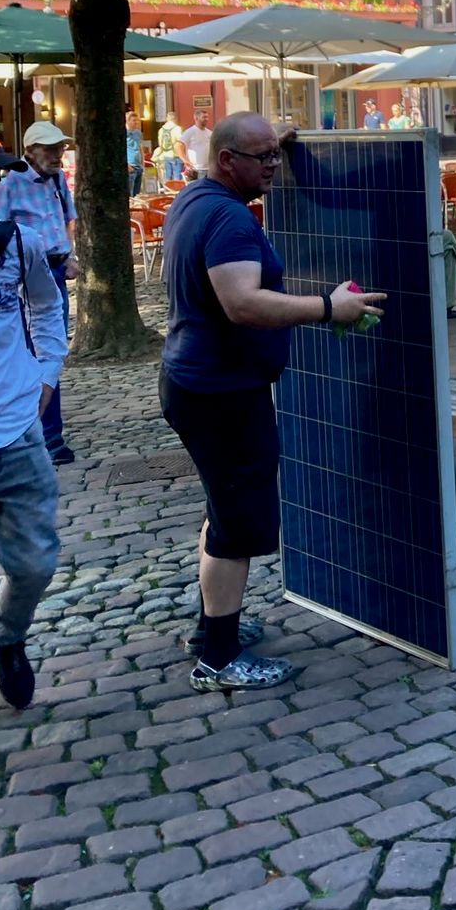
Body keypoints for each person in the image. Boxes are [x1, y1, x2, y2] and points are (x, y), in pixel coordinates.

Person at [160, 112, 384, 692]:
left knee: (223, 508)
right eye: (262, 159)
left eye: (275, 156)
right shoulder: (230, 220)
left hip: (197, 382)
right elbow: (243, 303)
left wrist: (271, 138)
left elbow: (244, 150)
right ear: (227, 161)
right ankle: (219, 658)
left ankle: (212, 625)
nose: (273, 168)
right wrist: (329, 308)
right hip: (221, 394)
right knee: (239, 523)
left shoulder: (195, 197)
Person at [0, 156, 70, 709]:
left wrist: (47, 374)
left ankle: (7, 637)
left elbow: (47, 307)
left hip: (16, 428)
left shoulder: (16, 243)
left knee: (35, 562)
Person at [2, 123, 78, 466]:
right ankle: (41, 435)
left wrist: (69, 254)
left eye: (60, 148)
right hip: (24, 276)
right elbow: (2, 232)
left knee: (52, 349)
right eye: (49, 149)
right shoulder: (9, 185)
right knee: (32, 352)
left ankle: (52, 435)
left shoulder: (58, 181)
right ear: (30, 150)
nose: (57, 155)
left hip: (56, 271)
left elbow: (68, 219)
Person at [178, 107, 212, 178]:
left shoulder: (209, 132)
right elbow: (178, 145)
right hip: (197, 169)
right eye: (204, 117)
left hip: (209, 168)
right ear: (196, 118)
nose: (206, 119)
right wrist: (185, 160)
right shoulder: (190, 131)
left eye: (207, 117)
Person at [155, 110, 183, 184]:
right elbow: (180, 142)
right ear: (175, 119)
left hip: (166, 155)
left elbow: (160, 144)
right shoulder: (177, 129)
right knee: (177, 177)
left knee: (168, 177)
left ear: (167, 119)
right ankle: (176, 193)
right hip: (176, 155)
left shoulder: (161, 130)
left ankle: (168, 191)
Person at [125, 110, 145, 198]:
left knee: (137, 194)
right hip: (130, 165)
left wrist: (143, 162)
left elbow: (140, 147)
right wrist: (127, 164)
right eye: (133, 120)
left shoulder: (138, 133)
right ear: (128, 121)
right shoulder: (124, 133)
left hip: (138, 165)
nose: (136, 122)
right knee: (130, 193)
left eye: (137, 120)